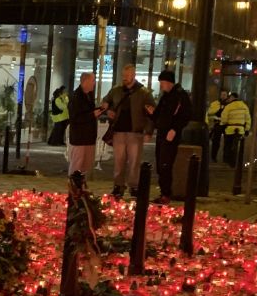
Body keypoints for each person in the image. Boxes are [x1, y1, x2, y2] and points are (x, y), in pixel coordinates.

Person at [103, 63, 155, 198]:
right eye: (123, 76)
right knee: (119, 161)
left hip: (135, 131)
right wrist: (108, 110)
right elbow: (106, 101)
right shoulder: (116, 90)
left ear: (133, 75)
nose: (124, 78)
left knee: (134, 161)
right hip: (119, 131)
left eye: (127, 76)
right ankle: (118, 185)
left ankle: (133, 185)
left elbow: (151, 114)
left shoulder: (143, 93)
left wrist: (148, 131)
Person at [150, 66, 191, 202]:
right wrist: (152, 114)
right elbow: (159, 115)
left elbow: (184, 116)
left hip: (170, 134)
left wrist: (174, 129)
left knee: (165, 163)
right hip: (162, 133)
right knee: (161, 164)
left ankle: (166, 194)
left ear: (168, 82)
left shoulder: (180, 96)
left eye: (162, 83)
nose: (161, 86)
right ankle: (164, 192)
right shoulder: (166, 96)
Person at [66, 72, 104, 180]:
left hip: (89, 137)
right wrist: (92, 115)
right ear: (85, 81)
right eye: (93, 81)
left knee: (86, 166)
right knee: (77, 165)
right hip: (79, 138)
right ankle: (74, 187)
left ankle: (81, 188)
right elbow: (75, 118)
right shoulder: (76, 97)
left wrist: (99, 110)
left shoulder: (89, 95)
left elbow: (88, 112)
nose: (94, 83)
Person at [220, 90, 251, 166]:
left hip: (230, 129)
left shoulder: (228, 106)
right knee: (237, 146)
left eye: (230, 98)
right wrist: (247, 129)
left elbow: (224, 118)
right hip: (240, 129)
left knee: (228, 145)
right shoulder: (244, 106)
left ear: (232, 98)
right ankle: (235, 161)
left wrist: (223, 126)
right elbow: (248, 119)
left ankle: (227, 160)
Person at [207, 90, 228, 162]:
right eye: (222, 94)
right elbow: (209, 112)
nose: (223, 96)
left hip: (226, 124)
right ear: (220, 95)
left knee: (227, 142)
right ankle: (214, 157)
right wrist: (218, 109)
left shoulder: (229, 104)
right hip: (217, 123)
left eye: (225, 95)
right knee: (216, 141)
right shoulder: (215, 103)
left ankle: (225, 158)